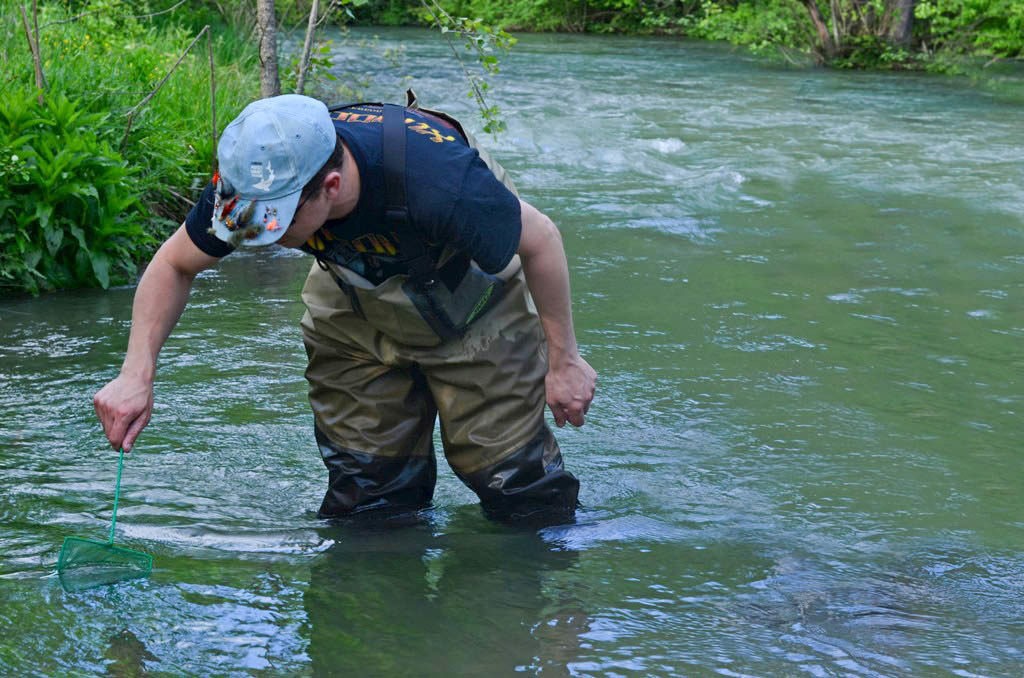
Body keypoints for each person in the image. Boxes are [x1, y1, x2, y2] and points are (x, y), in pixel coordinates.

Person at [93, 92, 596, 522]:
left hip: (471, 294)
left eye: (276, 222)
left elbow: (541, 241)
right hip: (351, 295)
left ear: (331, 188)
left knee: (515, 488)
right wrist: (136, 373)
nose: (262, 237)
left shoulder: (439, 180)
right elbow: (173, 264)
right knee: (369, 492)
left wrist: (564, 361)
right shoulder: (255, 176)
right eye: (252, 221)